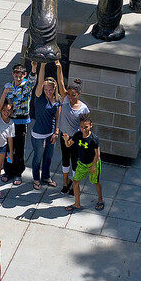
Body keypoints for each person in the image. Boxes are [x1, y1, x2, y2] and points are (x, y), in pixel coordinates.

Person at [54, 61, 90, 194]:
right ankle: (65, 183)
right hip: (64, 136)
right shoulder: (65, 100)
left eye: (73, 95)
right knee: (65, 159)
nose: (70, 97)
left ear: (79, 94)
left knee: (75, 161)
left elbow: (85, 127)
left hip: (75, 139)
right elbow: (60, 82)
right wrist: (59, 68)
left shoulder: (83, 108)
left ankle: (75, 185)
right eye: (69, 94)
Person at [1, 62, 36, 186]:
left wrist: (34, 67)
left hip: (21, 122)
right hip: (10, 121)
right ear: (13, 74)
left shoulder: (26, 86)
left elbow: (32, 81)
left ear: (24, 75)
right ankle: (8, 171)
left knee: (19, 148)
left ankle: (17, 172)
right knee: (8, 147)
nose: (18, 78)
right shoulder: (9, 86)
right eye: (16, 76)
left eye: (20, 76)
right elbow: (5, 103)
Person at [30, 61, 61, 190]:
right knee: (38, 157)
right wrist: (42, 66)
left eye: (50, 89)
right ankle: (36, 178)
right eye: (46, 89)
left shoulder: (57, 101)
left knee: (48, 157)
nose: (48, 91)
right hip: (38, 134)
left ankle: (46, 177)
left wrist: (56, 133)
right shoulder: (39, 97)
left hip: (50, 134)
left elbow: (58, 118)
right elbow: (40, 80)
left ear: (54, 89)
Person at [62, 113, 103, 211]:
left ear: (91, 126)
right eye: (81, 127)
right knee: (75, 182)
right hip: (82, 163)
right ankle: (77, 204)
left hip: (92, 163)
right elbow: (68, 145)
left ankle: (100, 199)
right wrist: (66, 140)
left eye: (86, 127)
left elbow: (97, 154)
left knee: (95, 182)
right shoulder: (78, 135)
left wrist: (93, 166)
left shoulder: (94, 139)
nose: (83, 129)